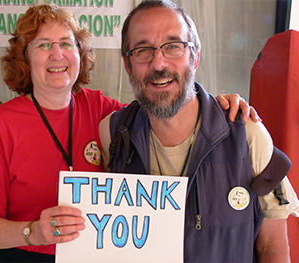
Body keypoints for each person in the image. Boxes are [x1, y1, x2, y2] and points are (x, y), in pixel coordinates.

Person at [0, 2, 261, 262]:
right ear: (24, 58)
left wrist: (220, 104)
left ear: (80, 54)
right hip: (23, 255)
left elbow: (163, 103)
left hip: (95, 255)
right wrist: (31, 232)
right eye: (43, 44)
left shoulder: (103, 110)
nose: (57, 54)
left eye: (66, 43)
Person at [99, 0, 299, 262]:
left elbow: (272, 249)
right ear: (128, 65)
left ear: (194, 57)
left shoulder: (247, 135)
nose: (158, 63)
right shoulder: (112, 133)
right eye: (142, 50)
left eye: (173, 46)